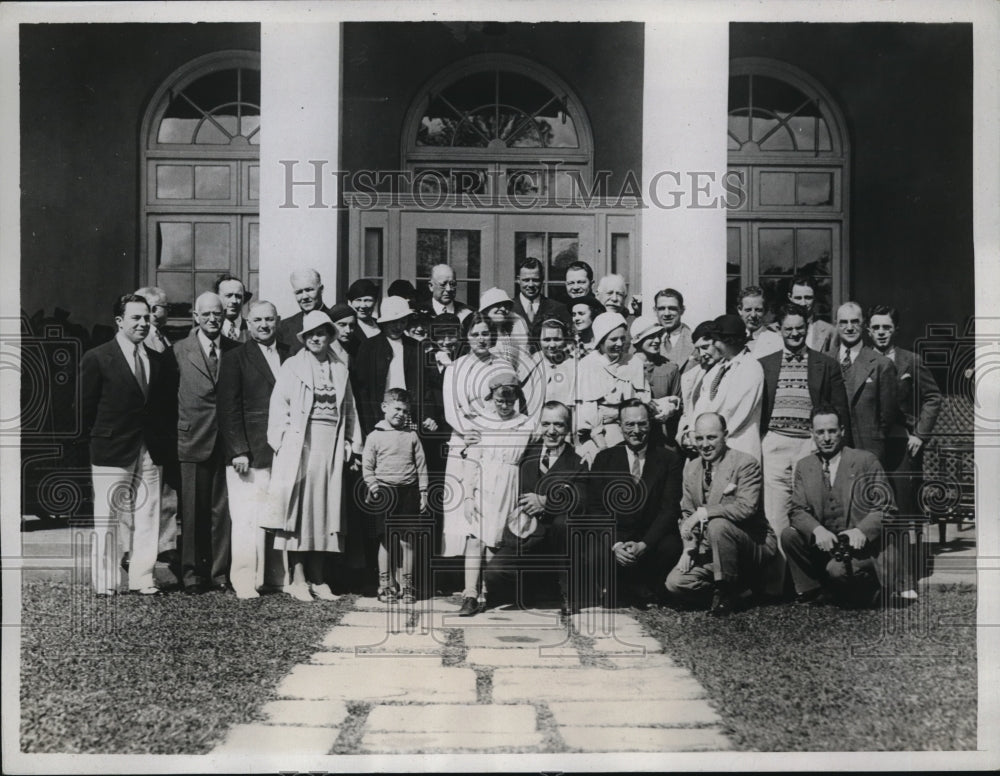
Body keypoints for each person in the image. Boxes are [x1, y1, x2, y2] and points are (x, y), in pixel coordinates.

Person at [79, 294, 177, 596]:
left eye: (146, 317)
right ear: (119, 321)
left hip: (150, 448)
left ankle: (143, 577)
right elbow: (83, 407)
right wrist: (98, 439)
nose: (142, 323)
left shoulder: (158, 360)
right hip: (111, 448)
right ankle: (106, 580)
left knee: (148, 512)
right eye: (135, 318)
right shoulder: (98, 358)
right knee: (107, 515)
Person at [268, 310, 362, 601]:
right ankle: (297, 579)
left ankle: (319, 578)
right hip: (300, 445)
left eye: (321, 333)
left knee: (325, 510)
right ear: (304, 338)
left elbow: (349, 408)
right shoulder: (292, 367)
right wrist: (284, 441)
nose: (316, 339)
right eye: (311, 334)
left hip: (329, 444)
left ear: (330, 336)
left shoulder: (340, 368)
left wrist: (350, 442)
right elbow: (279, 405)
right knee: (300, 511)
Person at [757, 303, 850, 594]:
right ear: (779, 330)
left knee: (809, 512)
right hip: (774, 442)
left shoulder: (826, 364)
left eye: (800, 328)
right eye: (789, 329)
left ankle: (810, 579)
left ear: (807, 328)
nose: (795, 333)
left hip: (809, 445)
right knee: (775, 513)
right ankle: (777, 585)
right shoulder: (765, 364)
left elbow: (839, 411)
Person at [782, 405, 897, 608]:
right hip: (828, 545)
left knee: (838, 572)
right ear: (812, 434)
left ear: (842, 431)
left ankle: (873, 591)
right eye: (820, 432)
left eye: (832, 431)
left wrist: (861, 530)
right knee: (789, 535)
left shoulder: (865, 461)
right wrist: (817, 530)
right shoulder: (804, 466)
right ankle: (814, 590)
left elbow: (887, 508)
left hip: (861, 548)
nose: (826, 438)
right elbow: (797, 510)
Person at [665, 413, 777, 615]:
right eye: (699, 438)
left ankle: (728, 592)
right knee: (675, 583)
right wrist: (689, 548)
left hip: (751, 543)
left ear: (725, 435)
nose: (705, 444)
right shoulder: (691, 468)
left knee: (717, 525)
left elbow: (746, 508)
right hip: (709, 548)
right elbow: (687, 512)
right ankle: (738, 591)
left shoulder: (745, 463)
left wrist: (704, 512)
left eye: (711, 437)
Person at [484, 401, 587, 613]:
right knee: (495, 572)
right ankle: (533, 589)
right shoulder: (526, 454)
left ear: (568, 428)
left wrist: (546, 502)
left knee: (564, 523)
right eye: (546, 424)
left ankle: (567, 592)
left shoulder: (578, 460)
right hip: (526, 534)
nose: (551, 431)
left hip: (559, 540)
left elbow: (581, 500)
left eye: (558, 425)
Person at [868, 304, 942, 599]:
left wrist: (920, 435)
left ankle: (905, 580)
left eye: (886, 327)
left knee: (899, 512)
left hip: (902, 446)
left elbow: (933, 398)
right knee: (872, 509)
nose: (881, 333)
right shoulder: (862, 361)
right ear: (868, 331)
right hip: (872, 447)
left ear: (895, 330)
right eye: (876, 328)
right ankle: (874, 577)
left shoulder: (910, 361)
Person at [217, 300, 290, 599]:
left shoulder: (290, 354)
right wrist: (238, 450)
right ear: (248, 323)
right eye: (257, 320)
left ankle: (275, 577)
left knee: (277, 514)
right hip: (249, 452)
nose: (264, 325)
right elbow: (228, 408)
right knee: (247, 518)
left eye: (269, 319)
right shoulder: (235, 358)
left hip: (283, 450)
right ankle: (245, 580)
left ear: (278, 320)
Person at [452, 369, 534, 617]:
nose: (505, 406)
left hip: (509, 484)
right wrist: (468, 496)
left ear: (517, 398)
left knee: (496, 541)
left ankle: (486, 593)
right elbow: (472, 460)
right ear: (492, 398)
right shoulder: (482, 423)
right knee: (475, 538)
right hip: (484, 484)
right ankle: (469, 594)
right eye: (500, 400)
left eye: (510, 401)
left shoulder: (525, 424)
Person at [587, 400, 684, 608]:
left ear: (650, 424)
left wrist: (643, 544)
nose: (636, 431)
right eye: (630, 424)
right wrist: (616, 545)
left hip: (649, 539)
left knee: (671, 546)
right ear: (620, 426)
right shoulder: (604, 459)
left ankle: (647, 586)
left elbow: (669, 509)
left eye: (642, 424)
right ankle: (621, 586)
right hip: (617, 538)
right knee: (593, 548)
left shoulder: (669, 459)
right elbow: (596, 509)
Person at [174, 292, 239, 593]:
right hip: (192, 438)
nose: (213, 319)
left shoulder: (236, 351)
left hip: (225, 443)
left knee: (222, 513)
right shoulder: (178, 351)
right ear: (196, 316)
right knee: (192, 511)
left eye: (218, 313)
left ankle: (219, 572)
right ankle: (191, 574)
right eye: (207, 314)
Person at [362, 388, 429, 604]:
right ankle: (385, 585)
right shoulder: (374, 436)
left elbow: (421, 466)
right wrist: (373, 487)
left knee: (407, 541)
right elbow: (367, 466)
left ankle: (407, 586)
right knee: (386, 541)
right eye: (397, 408)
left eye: (405, 411)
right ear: (384, 407)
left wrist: (424, 492)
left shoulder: (412, 436)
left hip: (408, 492)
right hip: (385, 491)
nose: (401, 414)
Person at [135, 285, 180, 570]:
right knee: (142, 489)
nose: (152, 314)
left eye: (157, 307)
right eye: (147, 308)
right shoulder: (141, 340)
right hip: (146, 426)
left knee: (166, 489)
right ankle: (138, 546)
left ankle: (166, 544)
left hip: (167, 424)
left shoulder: (165, 339)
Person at [575, 312, 650, 465]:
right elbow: (587, 411)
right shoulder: (587, 364)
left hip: (631, 432)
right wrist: (602, 445)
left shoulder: (634, 363)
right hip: (595, 436)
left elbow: (643, 403)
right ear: (601, 340)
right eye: (613, 339)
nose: (619, 343)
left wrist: (613, 413)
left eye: (623, 338)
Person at [829, 301, 898, 463]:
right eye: (844, 322)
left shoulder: (881, 364)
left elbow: (887, 414)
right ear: (836, 325)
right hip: (832, 446)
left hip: (868, 447)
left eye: (855, 322)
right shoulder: (826, 360)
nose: (850, 327)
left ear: (864, 324)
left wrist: (874, 437)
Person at [351, 296, 427, 436]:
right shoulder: (369, 347)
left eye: (402, 322)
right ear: (384, 322)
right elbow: (362, 391)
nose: (398, 327)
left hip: (408, 414)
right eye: (393, 322)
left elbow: (424, 386)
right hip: (380, 415)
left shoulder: (415, 347)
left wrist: (426, 415)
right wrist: (368, 425)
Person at [693, 314, 765, 461]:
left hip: (739, 448)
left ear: (728, 341)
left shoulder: (751, 368)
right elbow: (703, 403)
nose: (713, 344)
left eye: (716, 340)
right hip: (714, 447)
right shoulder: (718, 368)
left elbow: (733, 412)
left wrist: (710, 435)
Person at [629, 315, 682, 445]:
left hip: (663, 438)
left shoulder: (670, 368)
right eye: (651, 336)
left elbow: (680, 404)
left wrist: (671, 408)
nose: (657, 340)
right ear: (638, 340)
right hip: (633, 436)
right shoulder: (625, 367)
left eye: (659, 335)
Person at [676, 320, 720, 453]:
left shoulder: (728, 372)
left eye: (705, 347)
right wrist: (684, 436)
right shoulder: (695, 374)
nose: (701, 354)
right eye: (698, 349)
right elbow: (687, 413)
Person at [512, 256, 569, 351]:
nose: (530, 285)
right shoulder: (508, 308)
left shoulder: (558, 308)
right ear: (518, 280)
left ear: (542, 280)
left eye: (535, 280)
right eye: (526, 280)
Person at [478, 287, 533, 376]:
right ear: (486, 308)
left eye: (506, 305)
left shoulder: (509, 336)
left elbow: (523, 361)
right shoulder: (478, 334)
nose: (503, 309)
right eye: (497, 304)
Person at [276, 268, 331, 354]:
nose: (304, 297)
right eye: (299, 292)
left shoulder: (337, 320)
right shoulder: (284, 327)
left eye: (309, 290)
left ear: (321, 289)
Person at [787, 275, 836, 353]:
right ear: (790, 297)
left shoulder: (829, 331)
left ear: (815, 297)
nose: (803, 303)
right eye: (798, 298)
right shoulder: (777, 330)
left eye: (808, 298)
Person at [654, 288, 694, 370]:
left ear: (682, 310)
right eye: (661, 309)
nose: (667, 314)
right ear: (655, 311)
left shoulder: (694, 341)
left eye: (672, 308)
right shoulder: (644, 340)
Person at [738, 285, 783, 357]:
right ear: (740, 310)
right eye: (748, 310)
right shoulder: (733, 339)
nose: (753, 315)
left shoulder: (777, 340)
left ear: (765, 311)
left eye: (758, 310)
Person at [346, 278, 381, 354]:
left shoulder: (381, 326)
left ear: (375, 302)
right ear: (350, 302)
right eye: (358, 300)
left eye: (368, 300)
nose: (363, 305)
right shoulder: (348, 328)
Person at [215, 273, 250, 343]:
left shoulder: (251, 328)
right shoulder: (209, 329)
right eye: (228, 295)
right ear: (217, 298)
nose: (234, 301)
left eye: (238, 296)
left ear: (243, 299)